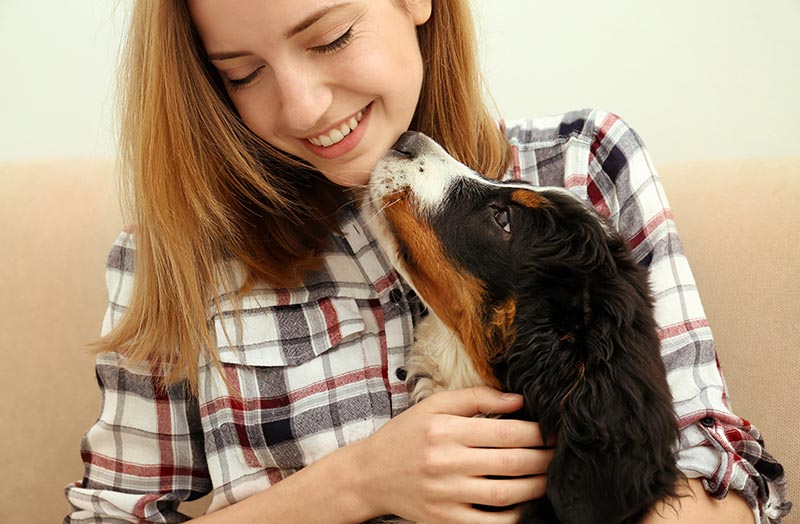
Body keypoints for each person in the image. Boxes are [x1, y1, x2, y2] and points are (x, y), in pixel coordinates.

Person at [65, 0, 791, 523]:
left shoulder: (584, 165)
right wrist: (353, 485)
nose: (303, 106)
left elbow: (727, 483)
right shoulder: (172, 257)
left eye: (330, 37)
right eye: (242, 72)